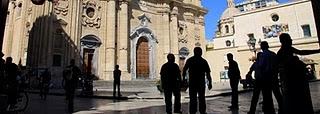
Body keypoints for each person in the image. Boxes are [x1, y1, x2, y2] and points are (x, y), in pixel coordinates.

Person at [277, 33, 319, 114]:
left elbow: (301, 52)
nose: (291, 40)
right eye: (289, 39)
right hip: (293, 81)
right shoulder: (285, 51)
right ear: (284, 41)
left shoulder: (285, 50)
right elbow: (301, 52)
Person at [183, 47, 212, 114]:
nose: (201, 53)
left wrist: (184, 79)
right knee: (201, 98)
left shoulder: (190, 60)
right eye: (200, 51)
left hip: (193, 83)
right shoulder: (203, 61)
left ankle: (193, 111)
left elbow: (184, 70)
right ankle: (202, 111)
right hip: (200, 83)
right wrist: (209, 82)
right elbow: (208, 73)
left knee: (193, 98)